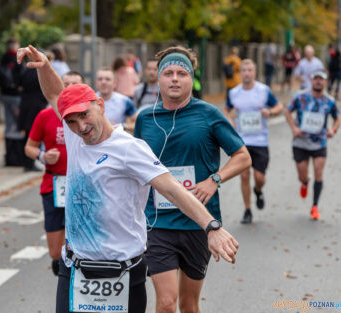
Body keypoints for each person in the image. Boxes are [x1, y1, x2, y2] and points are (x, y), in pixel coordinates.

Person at [17, 45, 239, 313]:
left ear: (99, 105)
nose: (81, 127)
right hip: (76, 268)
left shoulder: (129, 148)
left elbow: (172, 189)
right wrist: (44, 66)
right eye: (72, 122)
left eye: (84, 116)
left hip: (122, 271)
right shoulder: (76, 134)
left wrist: (211, 227)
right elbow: (54, 93)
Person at [134, 46, 251, 313]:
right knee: (165, 303)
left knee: (189, 305)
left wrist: (215, 179)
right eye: (168, 73)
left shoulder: (208, 114)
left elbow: (243, 156)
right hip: (157, 222)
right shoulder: (145, 118)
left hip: (198, 222)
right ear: (159, 79)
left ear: (191, 79)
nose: (175, 78)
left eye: (182, 73)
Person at [24, 71, 84, 276]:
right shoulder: (45, 115)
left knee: (79, 245)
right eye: (64, 84)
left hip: (82, 184)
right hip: (54, 184)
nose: (67, 88)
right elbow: (29, 147)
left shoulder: (89, 116)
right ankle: (62, 268)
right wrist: (43, 156)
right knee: (54, 250)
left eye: (74, 84)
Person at [225, 59, 283, 224]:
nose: (247, 73)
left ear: (255, 73)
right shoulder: (234, 93)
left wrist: (270, 112)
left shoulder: (264, 91)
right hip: (241, 141)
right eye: (244, 70)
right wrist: (230, 119)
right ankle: (248, 210)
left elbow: (279, 106)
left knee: (260, 178)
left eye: (250, 70)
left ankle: (258, 190)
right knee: (244, 176)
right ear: (240, 73)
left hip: (260, 140)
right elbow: (226, 110)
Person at [284, 70, 339, 220]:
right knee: (302, 175)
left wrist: (333, 130)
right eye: (316, 79)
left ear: (326, 82)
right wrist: (294, 128)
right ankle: (304, 182)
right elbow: (287, 111)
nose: (318, 82)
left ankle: (314, 206)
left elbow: (337, 117)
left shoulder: (329, 101)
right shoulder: (300, 96)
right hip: (300, 142)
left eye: (321, 79)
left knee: (318, 172)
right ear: (311, 81)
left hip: (319, 142)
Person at [18, 56, 48, 171]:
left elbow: (19, 86)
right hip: (37, 106)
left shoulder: (24, 72)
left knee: (27, 134)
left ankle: (27, 163)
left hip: (25, 105)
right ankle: (31, 162)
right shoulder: (40, 73)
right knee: (36, 135)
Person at [0, 38, 25, 166]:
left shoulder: (3, 58)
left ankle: (9, 156)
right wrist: (18, 87)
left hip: (5, 95)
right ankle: (17, 157)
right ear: (15, 45)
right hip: (15, 95)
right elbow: (21, 75)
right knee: (18, 124)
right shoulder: (16, 59)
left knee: (9, 124)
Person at [95, 67, 137, 131]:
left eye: (108, 79)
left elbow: (137, 122)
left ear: (115, 83)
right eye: (100, 79)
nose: (103, 82)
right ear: (96, 83)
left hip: (118, 139)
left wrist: (123, 126)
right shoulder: (89, 101)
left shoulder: (124, 100)